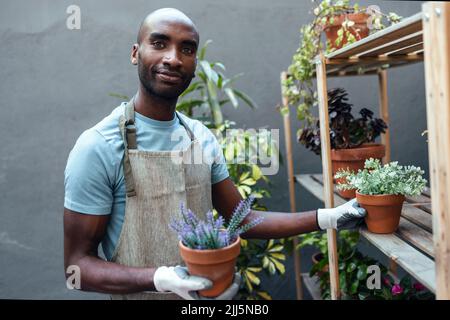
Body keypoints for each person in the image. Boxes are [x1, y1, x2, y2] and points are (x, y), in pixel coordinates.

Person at [63, 8, 366, 300]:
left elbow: (243, 219)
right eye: (158, 43)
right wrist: (160, 279)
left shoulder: (201, 138)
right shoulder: (98, 146)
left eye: (187, 49)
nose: (173, 58)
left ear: (195, 63)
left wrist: (330, 217)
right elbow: (77, 267)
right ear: (135, 53)